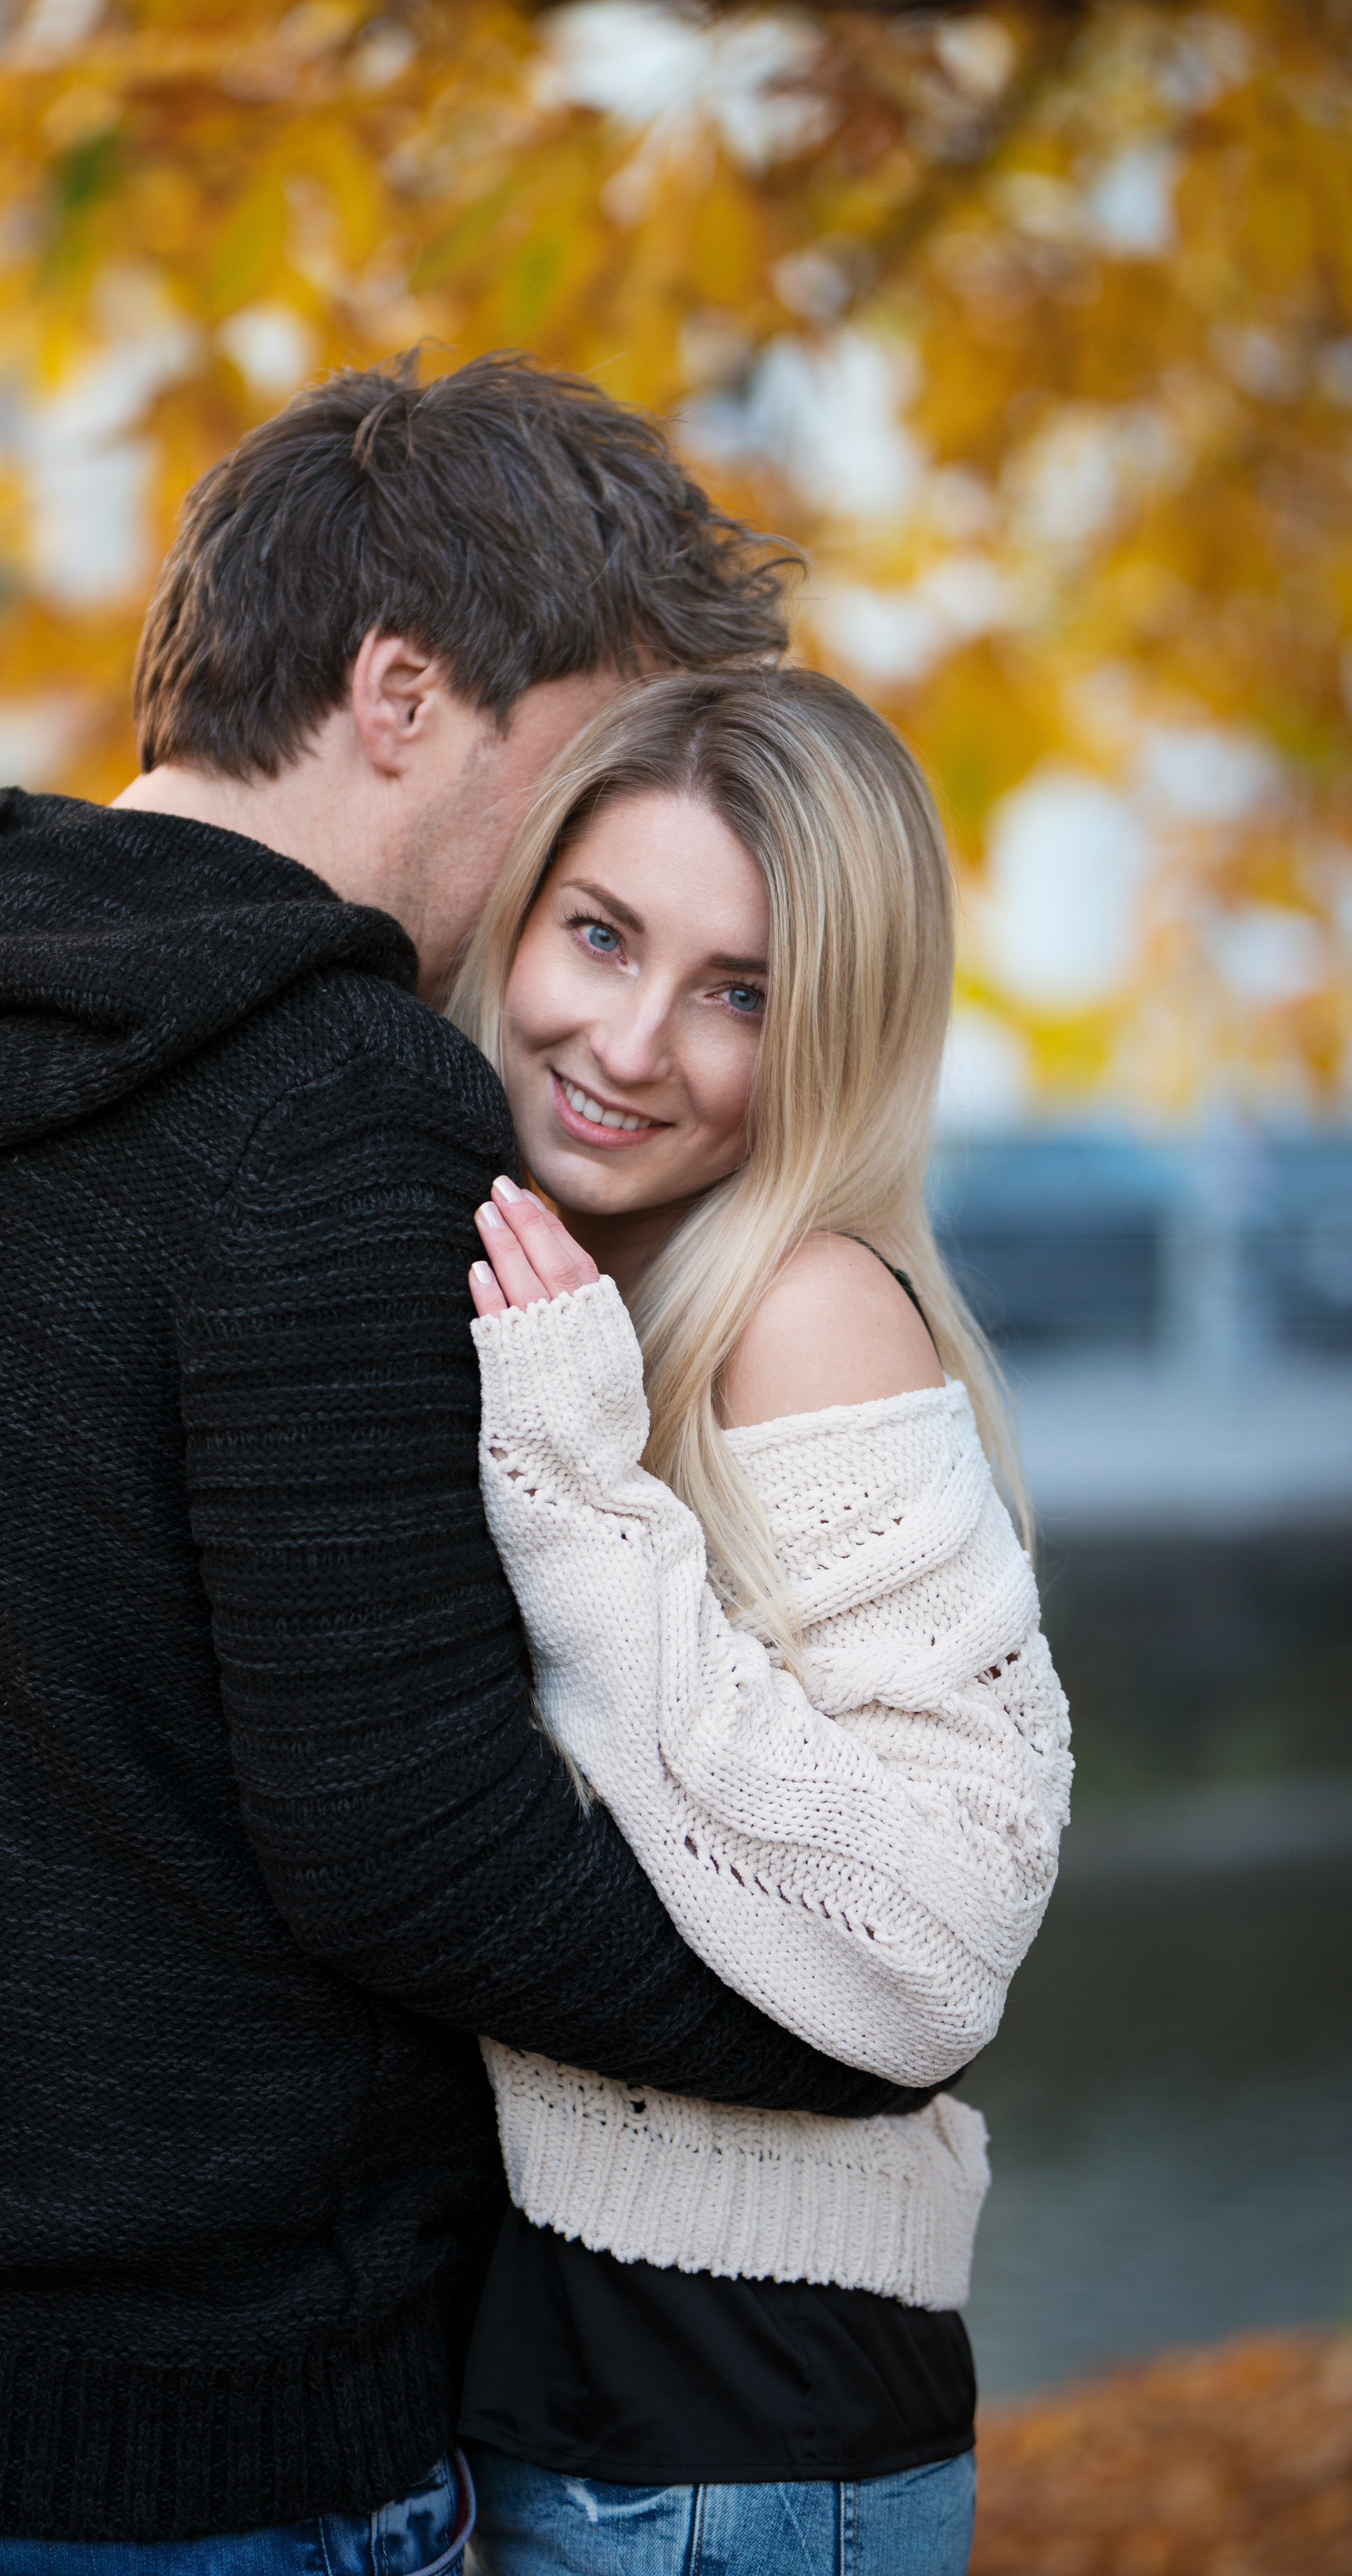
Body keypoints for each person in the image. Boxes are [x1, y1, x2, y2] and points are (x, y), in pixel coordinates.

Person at [0, 357, 956, 2576]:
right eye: (583, 754)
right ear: (405, 687)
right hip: (181, 2455)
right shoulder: (336, 1095)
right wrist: (857, 2016)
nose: (576, 843)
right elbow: (406, 1833)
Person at [439, 670, 1073, 2574]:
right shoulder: (566, 1268)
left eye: (743, 991)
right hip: (546, 2386)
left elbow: (941, 1939)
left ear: (835, 1036)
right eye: (604, 933)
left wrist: (571, 1484)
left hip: (733, 2428)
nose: (629, 1040)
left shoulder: (798, 1308)